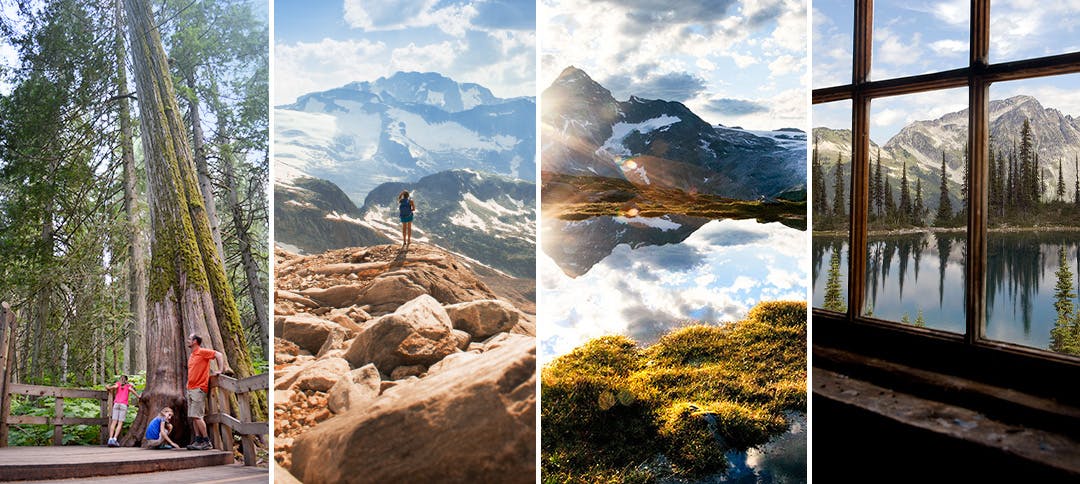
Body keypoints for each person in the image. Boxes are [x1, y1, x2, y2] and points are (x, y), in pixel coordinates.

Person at [186, 333, 230, 450]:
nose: (188, 340)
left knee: (198, 416)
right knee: (194, 416)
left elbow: (219, 354)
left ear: (195, 341)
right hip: (190, 388)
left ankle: (207, 441)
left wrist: (220, 370)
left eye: (190, 339)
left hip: (199, 388)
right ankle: (198, 440)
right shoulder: (192, 355)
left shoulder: (203, 352)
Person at [106, 375, 140, 447]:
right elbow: (133, 391)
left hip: (116, 404)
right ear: (126, 380)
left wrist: (108, 388)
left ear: (120, 379)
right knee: (120, 423)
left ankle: (110, 439)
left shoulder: (118, 384)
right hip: (123, 405)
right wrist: (138, 397)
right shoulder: (128, 386)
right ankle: (115, 439)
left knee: (114, 422)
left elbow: (114, 387)